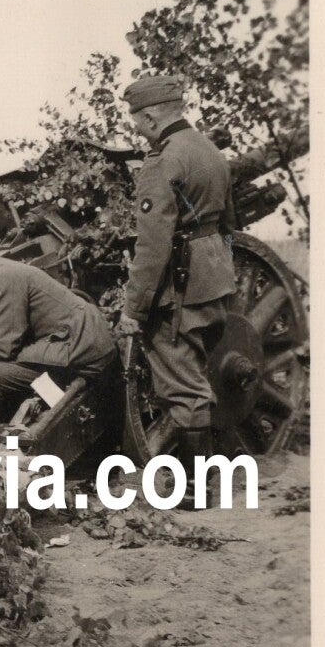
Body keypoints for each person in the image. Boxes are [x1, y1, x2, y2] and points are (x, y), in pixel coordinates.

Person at [112, 74, 237, 457]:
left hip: (179, 288)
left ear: (149, 118)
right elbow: (229, 224)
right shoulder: (210, 152)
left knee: (183, 387)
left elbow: (152, 245)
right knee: (196, 375)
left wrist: (133, 309)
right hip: (214, 280)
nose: (136, 129)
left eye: (136, 121)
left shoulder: (163, 161)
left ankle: (194, 488)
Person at [0, 232, 116, 420]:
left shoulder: (1, 278)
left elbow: (4, 344)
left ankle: (15, 432)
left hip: (79, 350)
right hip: (70, 345)